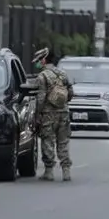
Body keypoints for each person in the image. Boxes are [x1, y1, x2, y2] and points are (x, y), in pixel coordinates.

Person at [33, 47, 74, 181]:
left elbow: (40, 97)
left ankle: (49, 171)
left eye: (39, 61)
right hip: (64, 113)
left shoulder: (42, 76)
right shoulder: (63, 74)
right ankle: (66, 171)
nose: (38, 63)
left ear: (44, 60)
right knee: (63, 142)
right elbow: (70, 93)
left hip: (48, 115)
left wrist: (37, 114)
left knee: (48, 141)